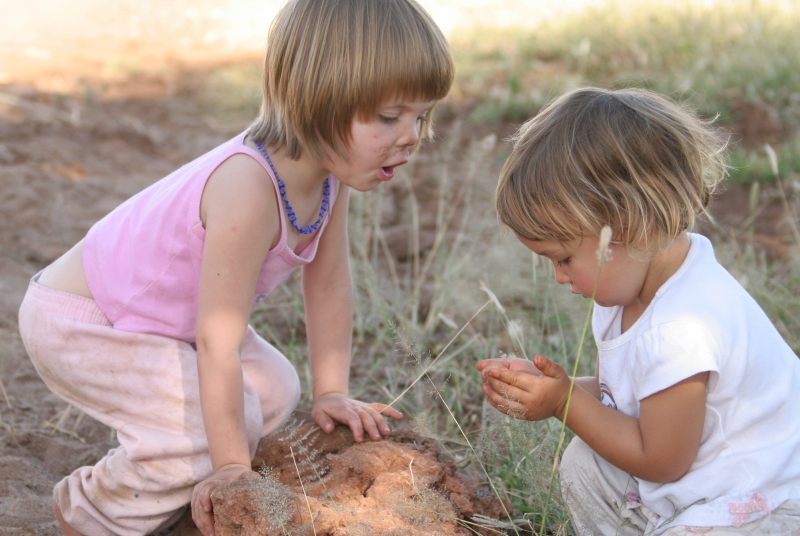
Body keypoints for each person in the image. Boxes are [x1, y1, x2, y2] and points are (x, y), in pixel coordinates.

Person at [16, 1, 453, 534]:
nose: (411, 136)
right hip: (87, 322)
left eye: (421, 116)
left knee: (274, 389)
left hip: (163, 326)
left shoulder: (329, 177)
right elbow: (218, 337)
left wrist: (331, 391)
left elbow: (330, 283)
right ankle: (89, 511)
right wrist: (229, 465)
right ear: (317, 100)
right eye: (389, 117)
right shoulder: (247, 188)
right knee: (206, 440)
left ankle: (171, 486)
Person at [478, 87, 800, 535]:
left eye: (565, 258)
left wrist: (564, 403)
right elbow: (632, 398)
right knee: (585, 464)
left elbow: (662, 460)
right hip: (702, 480)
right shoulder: (624, 295)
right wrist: (555, 388)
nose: (558, 277)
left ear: (629, 224)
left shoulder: (682, 326)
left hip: (764, 501)